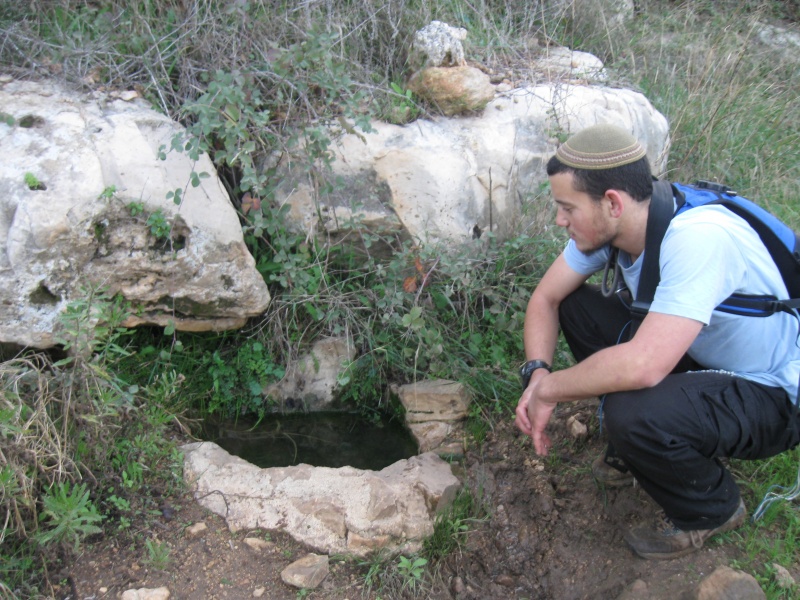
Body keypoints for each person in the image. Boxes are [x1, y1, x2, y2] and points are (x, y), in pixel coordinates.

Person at [514, 123, 800, 560]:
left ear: (612, 202)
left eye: (566, 207)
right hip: (700, 354)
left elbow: (643, 365)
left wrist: (550, 390)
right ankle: (651, 445)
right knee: (575, 303)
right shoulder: (614, 228)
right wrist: (537, 372)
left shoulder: (697, 237)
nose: (559, 220)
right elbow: (547, 298)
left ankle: (711, 509)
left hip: (774, 391)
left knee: (633, 411)